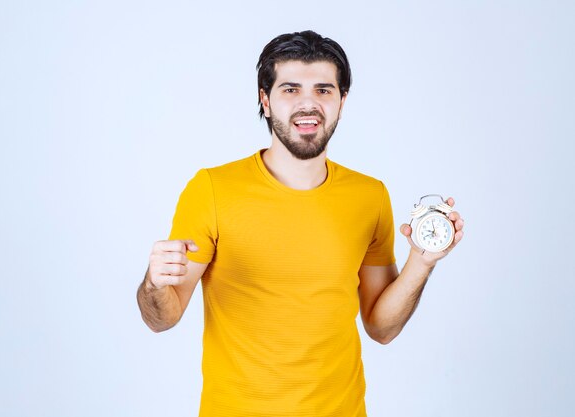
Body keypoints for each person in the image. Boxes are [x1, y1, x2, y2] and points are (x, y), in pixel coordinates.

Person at [137, 30, 464, 417]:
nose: (308, 104)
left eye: (324, 90)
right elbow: (163, 317)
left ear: (342, 101)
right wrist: (153, 284)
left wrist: (421, 263)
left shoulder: (370, 196)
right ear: (266, 99)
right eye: (290, 89)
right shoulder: (211, 189)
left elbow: (381, 328)